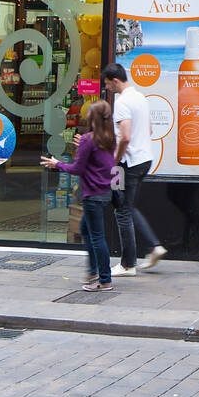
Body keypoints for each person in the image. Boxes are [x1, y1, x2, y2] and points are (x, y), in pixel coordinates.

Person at [41, 101, 117, 292]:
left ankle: (104, 279)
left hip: (93, 194)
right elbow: (96, 159)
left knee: (97, 237)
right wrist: (81, 145)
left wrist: (56, 164)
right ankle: (93, 271)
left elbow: (77, 168)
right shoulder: (108, 138)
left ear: (91, 118)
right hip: (105, 192)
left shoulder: (88, 140)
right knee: (85, 228)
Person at [101, 62, 167, 275]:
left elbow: (126, 136)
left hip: (125, 163)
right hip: (144, 159)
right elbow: (148, 128)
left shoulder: (122, 102)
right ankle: (153, 246)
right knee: (127, 207)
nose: (107, 88)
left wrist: (115, 160)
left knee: (122, 210)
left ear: (115, 81)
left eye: (107, 84)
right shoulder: (140, 97)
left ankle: (128, 264)